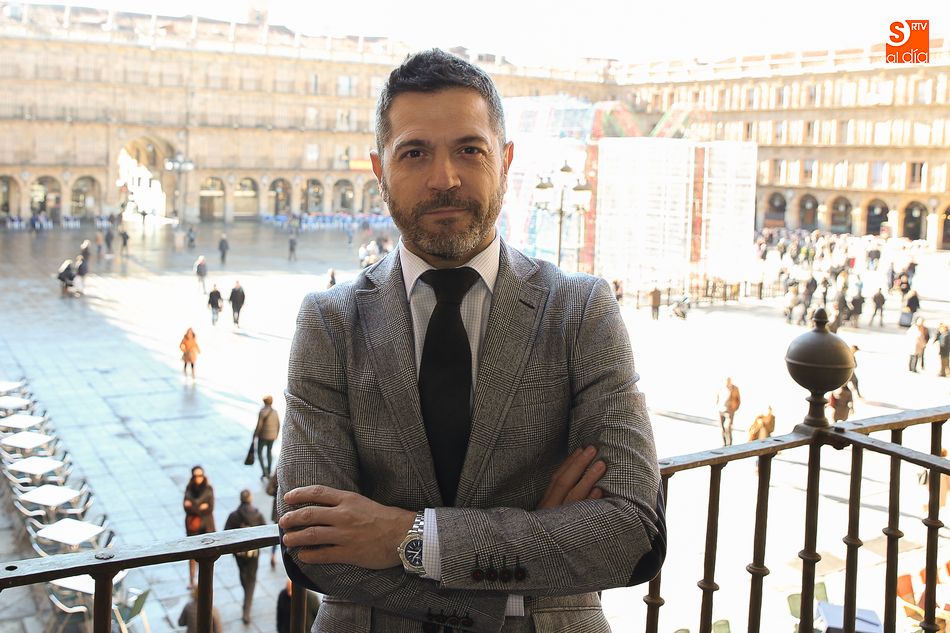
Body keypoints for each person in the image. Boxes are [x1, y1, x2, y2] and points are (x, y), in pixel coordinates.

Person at [276, 49, 665, 632]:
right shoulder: (327, 325)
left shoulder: (581, 311)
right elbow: (312, 553)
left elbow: (632, 536)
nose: (445, 178)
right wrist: (530, 569)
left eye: (469, 149)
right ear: (379, 170)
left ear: (505, 161)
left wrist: (405, 538)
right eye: (414, 153)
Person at [224, 489, 266, 624]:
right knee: (251, 579)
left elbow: (226, 533)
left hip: (239, 553)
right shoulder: (257, 514)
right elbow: (265, 530)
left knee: (243, 574)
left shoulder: (234, 516)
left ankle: (246, 603)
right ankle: (247, 606)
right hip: (253, 553)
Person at [183, 466, 215, 588]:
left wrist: (193, 506)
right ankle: (192, 580)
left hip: (206, 527)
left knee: (207, 555)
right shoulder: (189, 488)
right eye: (196, 476)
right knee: (192, 555)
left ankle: (205, 580)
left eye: (200, 475)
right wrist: (200, 507)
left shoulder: (208, 489)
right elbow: (185, 506)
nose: (198, 478)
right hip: (193, 527)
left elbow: (210, 507)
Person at [253, 395, 280, 479]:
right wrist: (276, 435)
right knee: (269, 452)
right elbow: (278, 424)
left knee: (259, 453)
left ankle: (264, 472)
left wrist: (255, 435)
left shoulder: (262, 412)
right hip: (272, 436)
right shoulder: (275, 412)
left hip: (263, 436)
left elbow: (259, 426)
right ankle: (268, 470)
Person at [715, 377, 741, 446]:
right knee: (722, 428)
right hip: (721, 410)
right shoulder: (721, 388)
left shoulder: (735, 388)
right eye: (726, 380)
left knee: (729, 427)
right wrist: (717, 405)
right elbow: (717, 397)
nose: (728, 381)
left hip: (730, 410)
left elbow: (739, 400)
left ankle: (730, 444)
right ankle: (724, 444)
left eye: (729, 380)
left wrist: (734, 409)